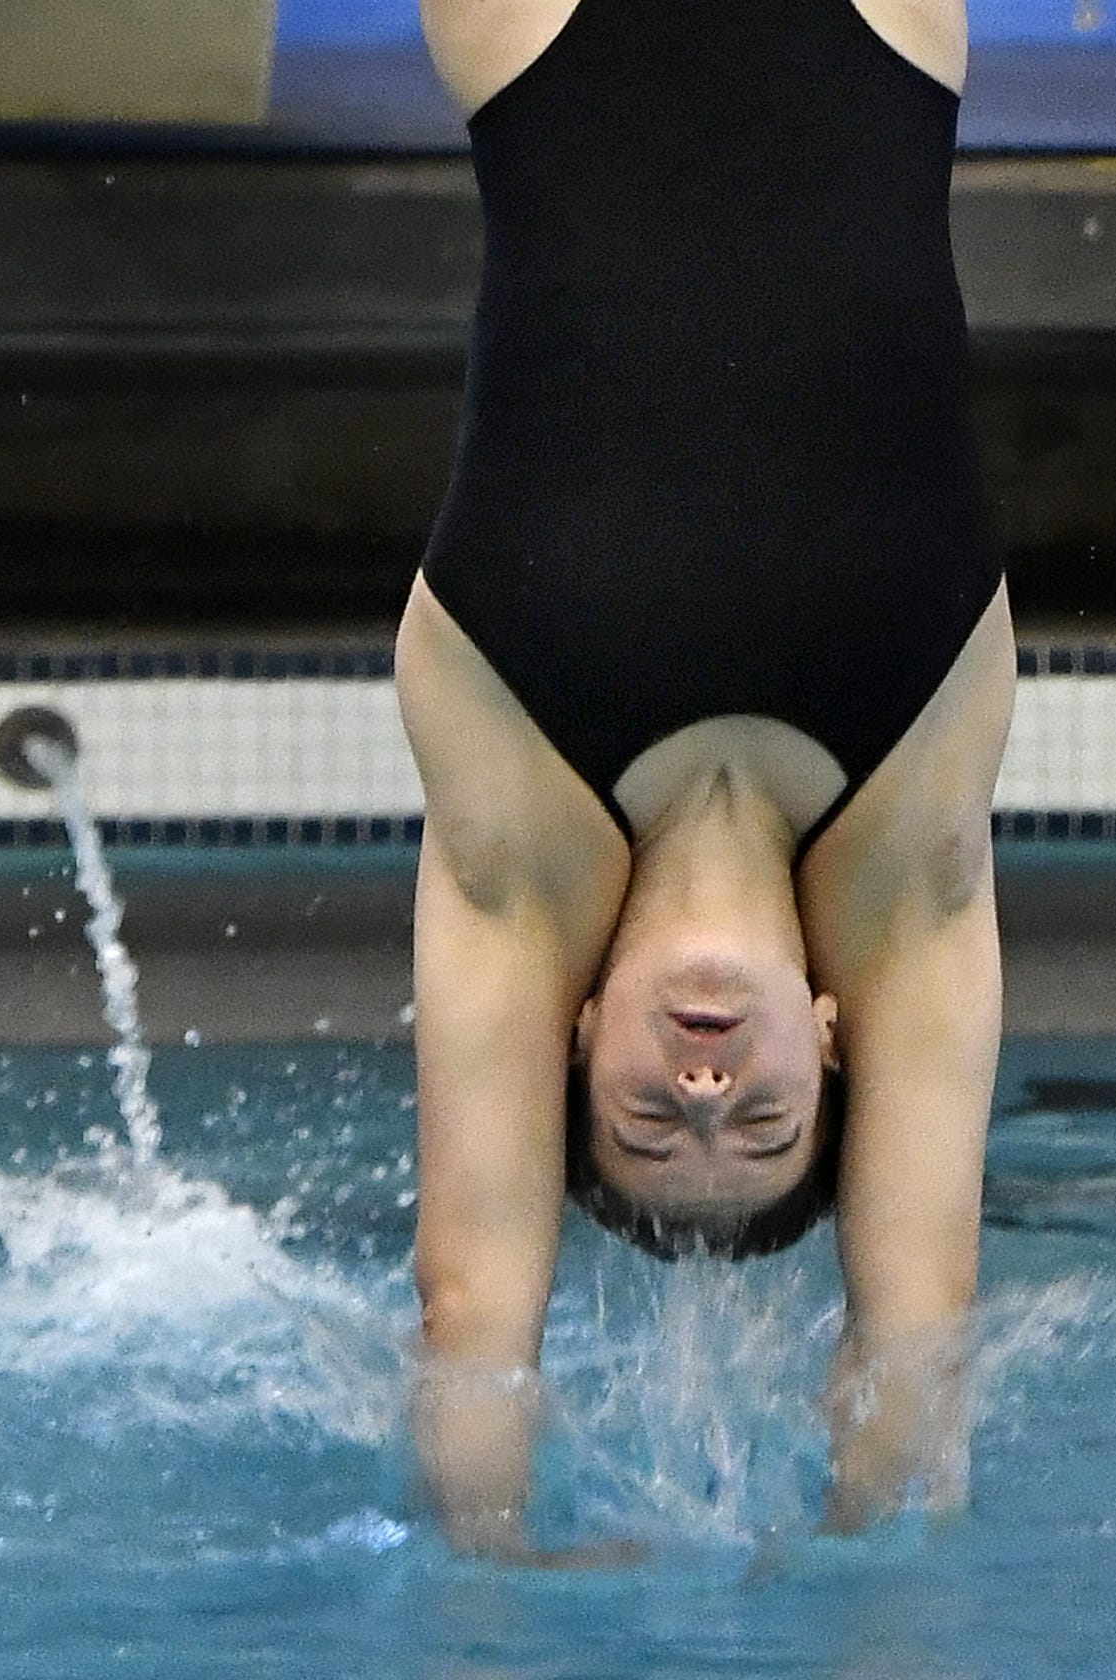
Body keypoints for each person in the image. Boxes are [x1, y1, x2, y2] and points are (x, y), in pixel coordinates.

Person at [393, 0, 1014, 1563]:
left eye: (651, 1127)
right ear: (833, 1042)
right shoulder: (913, 875)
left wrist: (497, 1585)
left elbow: (469, 1305)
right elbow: (920, 1324)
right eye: (764, 1127)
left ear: (576, 1037)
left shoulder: (516, 862)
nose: (705, 1094)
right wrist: (868, 1574)